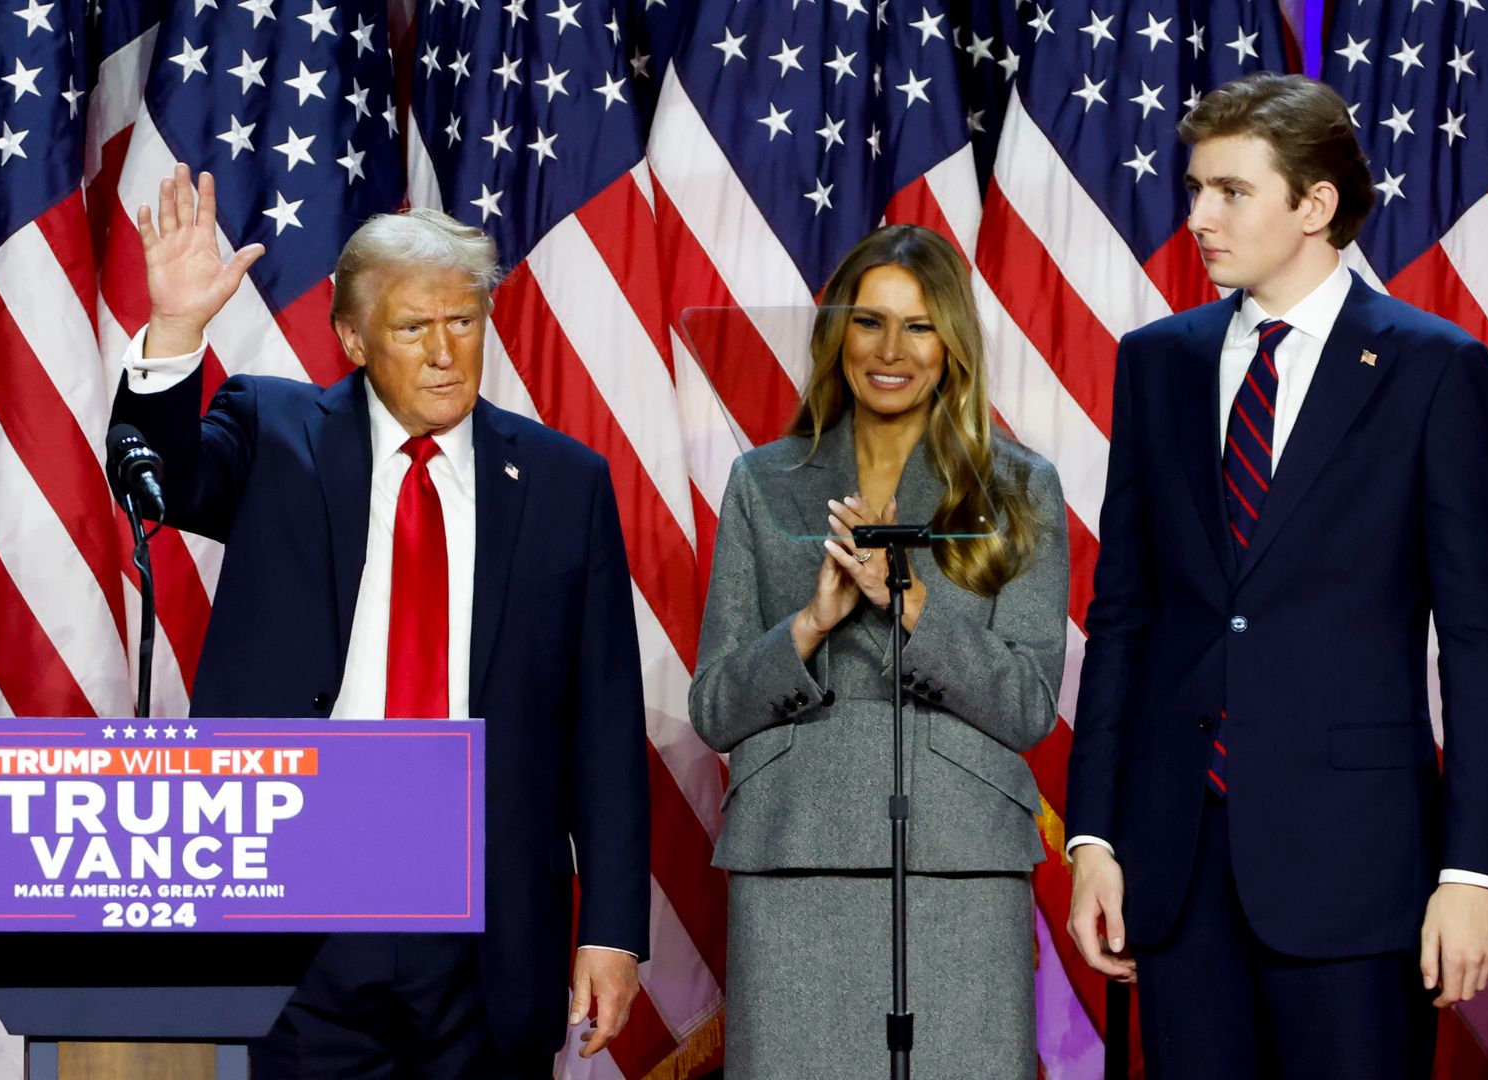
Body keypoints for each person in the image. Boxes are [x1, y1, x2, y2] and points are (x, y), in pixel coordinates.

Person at [110, 165, 650, 1078]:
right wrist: (175, 330)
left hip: (484, 914)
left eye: (463, 322)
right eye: (412, 328)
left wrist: (611, 932)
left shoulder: (566, 483)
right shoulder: (272, 429)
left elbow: (603, 722)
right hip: (300, 898)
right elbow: (157, 475)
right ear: (353, 338)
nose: (445, 352)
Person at [1065, 73, 1488, 1078]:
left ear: (1316, 205)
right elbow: (1126, 615)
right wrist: (1093, 836)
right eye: (1195, 189)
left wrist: (1473, 869)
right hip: (1175, 868)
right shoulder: (1158, 362)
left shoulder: (1433, 368)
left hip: (1359, 871)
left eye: (1230, 191)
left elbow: (1485, 638)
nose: (1197, 217)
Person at [689, 224, 1070, 1078]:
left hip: (958, 862)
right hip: (796, 856)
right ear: (837, 336)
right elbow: (715, 707)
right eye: (869, 322)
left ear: (953, 345)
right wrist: (810, 626)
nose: (891, 349)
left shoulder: (1017, 487)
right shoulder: (765, 480)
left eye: (920, 325)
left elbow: (1027, 706)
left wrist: (913, 606)